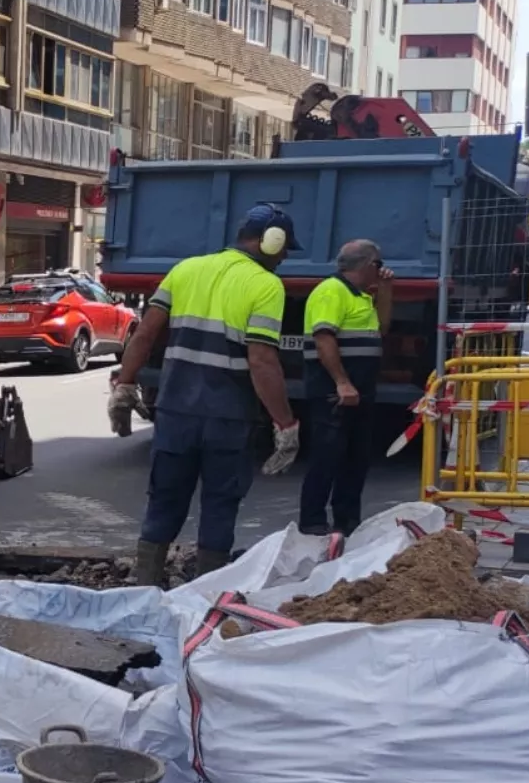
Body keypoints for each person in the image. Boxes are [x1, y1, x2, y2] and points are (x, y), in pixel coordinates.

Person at [108, 204, 304, 586]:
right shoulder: (266, 285)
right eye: (283, 249)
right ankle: (207, 591)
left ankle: (145, 582)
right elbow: (262, 361)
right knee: (219, 505)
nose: (283, 258)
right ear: (270, 241)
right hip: (228, 419)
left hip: (175, 411)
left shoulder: (185, 269)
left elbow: (144, 335)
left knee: (165, 497)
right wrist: (286, 422)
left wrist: (125, 386)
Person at [298, 239, 393, 537]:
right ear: (366, 264)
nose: (381, 270)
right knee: (327, 457)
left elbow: (382, 329)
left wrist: (387, 292)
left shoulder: (361, 296)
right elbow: (324, 338)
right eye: (378, 265)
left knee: (356, 459)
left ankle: (347, 521)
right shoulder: (331, 291)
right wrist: (342, 382)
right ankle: (312, 523)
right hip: (334, 393)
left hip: (359, 392)